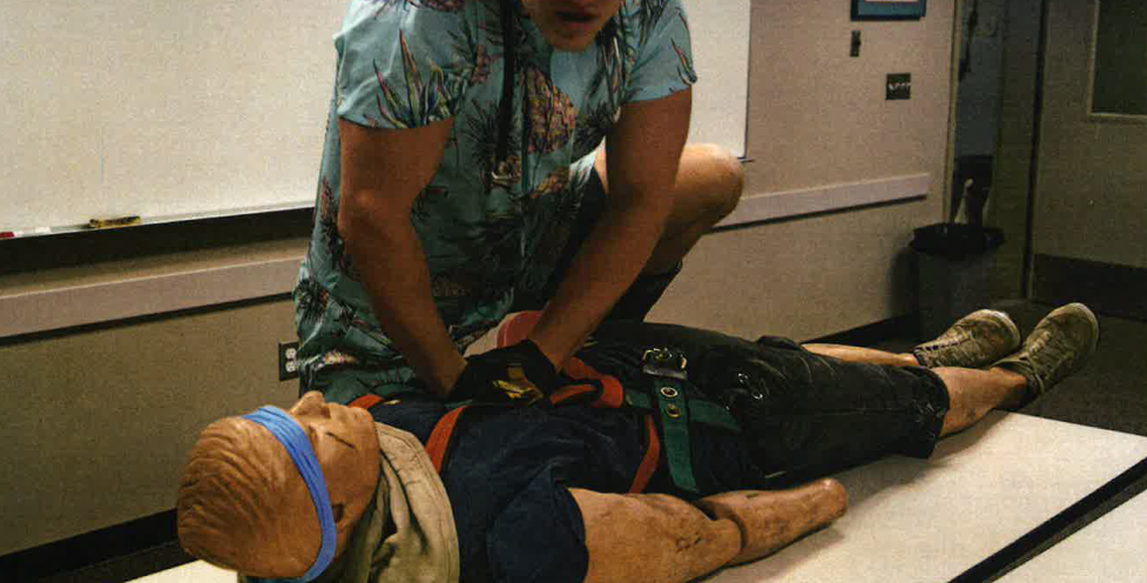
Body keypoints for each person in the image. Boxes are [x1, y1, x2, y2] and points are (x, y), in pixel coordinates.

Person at [294, 0, 745, 406]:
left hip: (524, 239)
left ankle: (572, 343)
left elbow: (642, 201)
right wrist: (459, 383)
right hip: (381, 303)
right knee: (412, 482)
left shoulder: (651, 4)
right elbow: (372, 215)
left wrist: (541, 356)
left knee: (714, 177)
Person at [177, 303, 1100, 583]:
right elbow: (693, 537)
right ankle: (1016, 378)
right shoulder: (505, 539)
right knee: (885, 402)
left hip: (631, 369)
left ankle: (923, 358)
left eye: (285, 411)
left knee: (782, 348)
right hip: (729, 424)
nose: (310, 402)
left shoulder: (372, 451)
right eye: (303, 435)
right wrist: (821, 502)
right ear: (336, 514)